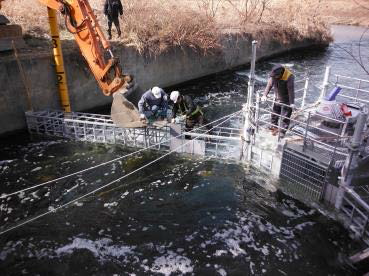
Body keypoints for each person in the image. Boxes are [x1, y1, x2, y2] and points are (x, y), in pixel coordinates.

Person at [261, 65, 295, 136]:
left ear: (280, 74)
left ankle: (282, 132)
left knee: (285, 117)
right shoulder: (274, 75)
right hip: (277, 98)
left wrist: (292, 103)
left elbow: (290, 90)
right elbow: (269, 85)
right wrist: (264, 95)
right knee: (274, 114)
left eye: (275, 76)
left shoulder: (289, 76)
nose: (273, 78)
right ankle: (273, 127)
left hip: (287, 100)